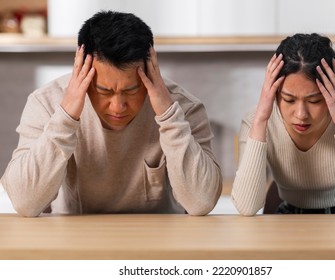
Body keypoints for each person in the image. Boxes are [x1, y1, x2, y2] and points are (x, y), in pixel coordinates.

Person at [1, 11, 222, 217]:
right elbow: (24, 202)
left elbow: (200, 202)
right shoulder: (46, 103)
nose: (118, 107)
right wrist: (66, 117)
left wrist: (169, 116)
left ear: (151, 70)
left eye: (131, 90)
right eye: (104, 91)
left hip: (158, 246)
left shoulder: (183, 107)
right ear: (81, 71)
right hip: (73, 246)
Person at [231, 33, 335, 216]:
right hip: (287, 218)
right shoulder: (255, 120)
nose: (301, 115)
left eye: (314, 101)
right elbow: (246, 206)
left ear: (334, 91)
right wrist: (260, 121)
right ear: (274, 93)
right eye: (289, 100)